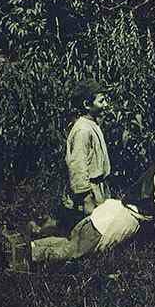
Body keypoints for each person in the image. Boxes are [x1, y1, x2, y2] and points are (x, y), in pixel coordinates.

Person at [3, 125, 155, 269]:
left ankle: (27, 247)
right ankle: (18, 253)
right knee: (73, 252)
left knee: (71, 243)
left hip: (113, 211)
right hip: (117, 221)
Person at [30, 78, 112, 237]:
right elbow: (78, 166)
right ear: (87, 105)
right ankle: (38, 235)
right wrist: (86, 197)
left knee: (83, 231)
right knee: (77, 233)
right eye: (101, 101)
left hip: (97, 189)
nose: (106, 104)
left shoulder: (92, 124)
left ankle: (43, 230)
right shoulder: (82, 130)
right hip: (87, 193)